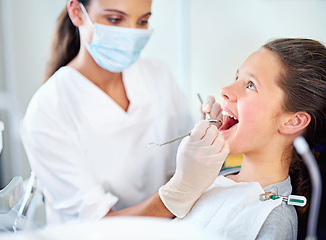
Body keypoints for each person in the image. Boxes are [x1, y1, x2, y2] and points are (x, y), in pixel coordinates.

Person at [20, 0, 227, 224]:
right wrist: (178, 194)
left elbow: (185, 164)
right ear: (77, 12)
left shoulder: (157, 75)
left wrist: (211, 136)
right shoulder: (48, 110)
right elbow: (97, 225)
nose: (131, 34)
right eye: (115, 19)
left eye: (142, 21)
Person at [170, 38, 326, 240]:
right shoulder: (215, 177)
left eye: (250, 85)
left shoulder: (274, 219)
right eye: (236, 77)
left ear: (293, 121)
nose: (224, 90)